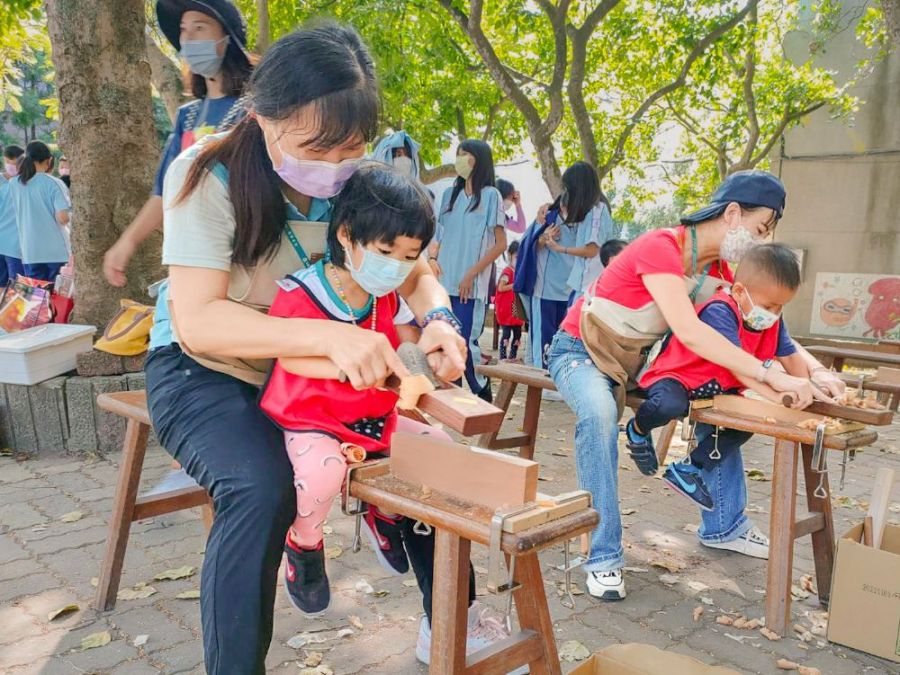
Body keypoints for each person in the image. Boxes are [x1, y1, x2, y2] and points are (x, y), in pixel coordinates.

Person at [144, 24, 489, 674]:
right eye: (316, 146)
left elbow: (413, 267)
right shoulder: (207, 174)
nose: (333, 166)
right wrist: (329, 336)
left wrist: (439, 321)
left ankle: (453, 622)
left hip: (309, 368)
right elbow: (199, 321)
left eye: (351, 147)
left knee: (431, 459)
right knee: (260, 484)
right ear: (264, 113)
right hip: (205, 371)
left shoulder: (357, 183)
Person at [546, 170, 843, 602]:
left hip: (633, 365)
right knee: (598, 413)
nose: (760, 241)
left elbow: (776, 326)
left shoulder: (720, 271)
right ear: (734, 213)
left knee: (720, 402)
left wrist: (815, 373)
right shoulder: (661, 247)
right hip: (579, 353)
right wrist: (767, 375)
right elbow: (688, 331)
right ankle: (603, 556)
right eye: (760, 229)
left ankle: (724, 524)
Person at [631, 243, 805, 514]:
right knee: (668, 405)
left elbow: (792, 357)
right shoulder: (720, 311)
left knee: (746, 424)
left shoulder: (773, 322)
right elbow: (736, 364)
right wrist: (776, 395)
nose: (773, 314)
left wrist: (808, 387)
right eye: (769, 305)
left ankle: (690, 468)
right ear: (739, 291)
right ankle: (638, 430)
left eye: (780, 307)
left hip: (716, 390)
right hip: (679, 377)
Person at [102, 0, 253, 287]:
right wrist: (127, 242)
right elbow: (165, 191)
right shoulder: (188, 116)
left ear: (226, 39)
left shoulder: (254, 112)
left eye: (200, 27)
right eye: (184, 30)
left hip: (243, 259)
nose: (189, 38)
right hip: (190, 256)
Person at [520, 162, 612, 382]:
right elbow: (528, 243)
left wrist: (560, 247)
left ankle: (559, 379)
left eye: (569, 188)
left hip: (577, 288)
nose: (565, 194)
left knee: (568, 338)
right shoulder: (551, 213)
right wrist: (543, 238)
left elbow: (592, 249)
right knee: (546, 337)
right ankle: (545, 380)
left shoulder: (593, 212)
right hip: (552, 288)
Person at [431, 139, 507, 401]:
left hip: (469, 285)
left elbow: (501, 244)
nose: (460, 159)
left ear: (480, 159)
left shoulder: (491, 196)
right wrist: (431, 262)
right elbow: (438, 238)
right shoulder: (448, 196)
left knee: (466, 341)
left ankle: (481, 392)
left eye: (466, 154)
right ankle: (453, 397)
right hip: (443, 281)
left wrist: (472, 274)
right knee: (443, 339)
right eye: (458, 154)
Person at [8, 141, 70, 282]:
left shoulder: (14, 183)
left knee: (37, 299)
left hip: (30, 251)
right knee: (57, 298)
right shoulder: (54, 183)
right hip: (56, 251)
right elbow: (63, 218)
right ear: (49, 161)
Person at [494, 240, 524, 361]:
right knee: (506, 333)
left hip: (515, 307)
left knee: (517, 333)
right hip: (507, 309)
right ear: (510, 255)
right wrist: (514, 285)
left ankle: (513, 355)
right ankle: (503, 356)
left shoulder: (519, 272)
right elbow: (500, 288)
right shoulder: (507, 272)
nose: (518, 259)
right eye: (517, 256)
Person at [0, 145, 25, 285]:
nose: (11, 166)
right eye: (9, 162)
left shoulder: (25, 183)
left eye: (15, 163)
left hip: (16, 246)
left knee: (16, 287)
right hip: (3, 243)